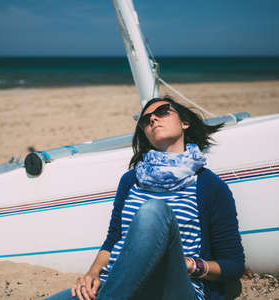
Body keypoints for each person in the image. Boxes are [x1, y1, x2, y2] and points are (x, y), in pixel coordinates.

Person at [46, 96, 245, 300]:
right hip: (114, 284)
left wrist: (189, 264)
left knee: (153, 211)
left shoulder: (208, 185)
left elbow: (233, 265)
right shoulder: (131, 180)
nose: (152, 120)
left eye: (163, 112)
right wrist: (92, 273)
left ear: (185, 123)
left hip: (171, 289)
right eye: (145, 119)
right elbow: (114, 240)